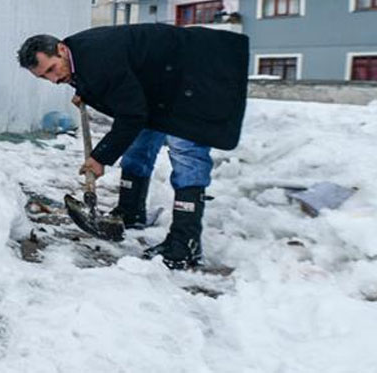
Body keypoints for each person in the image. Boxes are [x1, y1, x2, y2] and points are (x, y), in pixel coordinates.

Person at [16, 24, 248, 269]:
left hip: (196, 75)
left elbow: (130, 114)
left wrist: (100, 157)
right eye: (44, 76)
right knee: (140, 143)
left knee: (186, 151)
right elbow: (117, 88)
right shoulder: (77, 54)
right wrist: (86, 89)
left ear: (61, 49)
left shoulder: (98, 57)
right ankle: (131, 211)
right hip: (161, 87)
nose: (53, 80)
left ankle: (185, 243)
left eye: (52, 69)